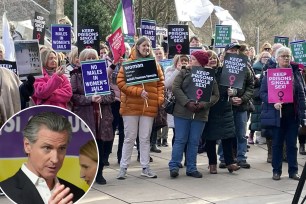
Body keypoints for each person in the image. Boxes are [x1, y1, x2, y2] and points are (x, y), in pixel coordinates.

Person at [0, 112, 85, 203]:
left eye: (61, 148)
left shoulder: (77, 193)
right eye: (47, 148)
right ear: (27, 146)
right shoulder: (6, 193)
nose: (55, 159)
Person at [116, 36, 164, 179]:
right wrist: (138, 92)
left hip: (148, 106)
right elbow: (120, 83)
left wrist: (159, 100)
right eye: (144, 46)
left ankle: (145, 167)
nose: (146, 48)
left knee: (145, 138)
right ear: (137, 47)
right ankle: (123, 168)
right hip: (131, 107)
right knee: (129, 138)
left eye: (148, 46)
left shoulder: (154, 64)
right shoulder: (128, 64)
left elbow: (161, 83)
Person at [168, 50, 219, 178]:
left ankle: (191, 167)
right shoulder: (184, 72)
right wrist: (186, 102)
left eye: (193, 59)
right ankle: (174, 165)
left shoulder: (209, 75)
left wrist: (204, 104)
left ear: (201, 62)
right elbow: (175, 88)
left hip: (200, 114)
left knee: (194, 141)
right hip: (182, 112)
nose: (190, 61)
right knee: (180, 139)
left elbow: (215, 95)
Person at [260, 47, 306, 181]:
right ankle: (276, 171)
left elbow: (302, 93)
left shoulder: (296, 72)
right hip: (277, 114)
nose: (286, 58)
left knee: (292, 144)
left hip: (293, 114)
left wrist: (303, 113)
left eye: (288, 56)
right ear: (277, 58)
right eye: (283, 56)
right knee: (277, 144)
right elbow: (262, 93)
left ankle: (293, 171)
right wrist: (273, 102)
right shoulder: (270, 73)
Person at [70, 48, 115, 185]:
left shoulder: (102, 74)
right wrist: (90, 99)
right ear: (81, 60)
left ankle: (99, 173)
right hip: (85, 115)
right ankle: (85, 172)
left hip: (101, 116)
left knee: (100, 146)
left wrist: (102, 98)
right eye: (87, 58)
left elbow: (112, 95)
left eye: (93, 58)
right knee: (86, 147)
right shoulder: (76, 75)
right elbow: (72, 96)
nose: (90, 61)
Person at [202, 50, 240, 174]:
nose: (212, 60)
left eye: (214, 57)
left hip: (225, 107)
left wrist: (233, 92)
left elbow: (237, 87)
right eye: (209, 58)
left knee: (227, 137)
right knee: (210, 138)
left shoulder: (225, 72)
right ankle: (212, 164)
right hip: (210, 108)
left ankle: (230, 162)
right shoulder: (202, 73)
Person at [218, 42, 254, 169]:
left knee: (241, 133)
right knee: (225, 133)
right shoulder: (220, 67)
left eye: (235, 51)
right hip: (226, 106)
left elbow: (251, 85)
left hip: (241, 106)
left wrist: (242, 98)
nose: (233, 53)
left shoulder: (245, 67)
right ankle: (223, 158)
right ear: (225, 52)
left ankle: (241, 157)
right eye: (231, 50)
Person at [248, 51, 271, 145]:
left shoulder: (271, 67)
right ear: (260, 58)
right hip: (257, 95)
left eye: (268, 57)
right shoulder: (255, 68)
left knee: (262, 117)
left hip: (266, 95)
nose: (266, 58)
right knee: (255, 117)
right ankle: (251, 134)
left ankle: (262, 135)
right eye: (264, 57)